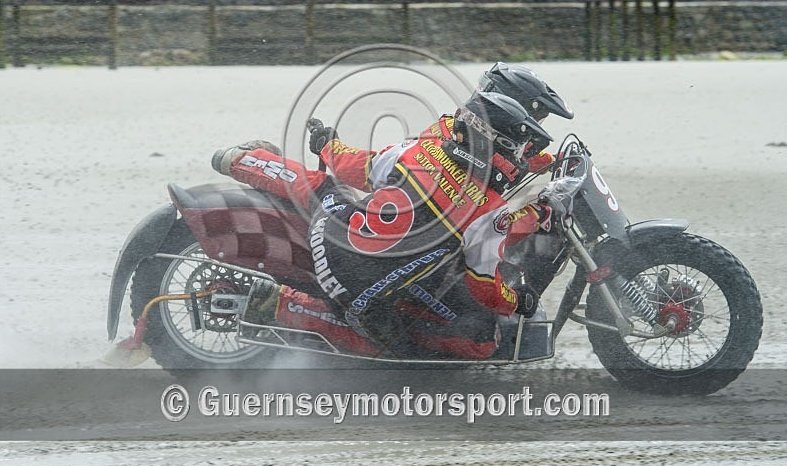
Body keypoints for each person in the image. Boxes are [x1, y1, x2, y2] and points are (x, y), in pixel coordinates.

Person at [213, 90, 572, 360]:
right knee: (454, 343)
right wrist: (516, 301)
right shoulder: (488, 209)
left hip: (331, 228)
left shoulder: (418, 153)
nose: (521, 155)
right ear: (501, 144)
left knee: (324, 187)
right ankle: (282, 305)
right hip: (355, 282)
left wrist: (327, 146)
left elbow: (355, 166)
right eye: (520, 146)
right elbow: (484, 288)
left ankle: (249, 161)